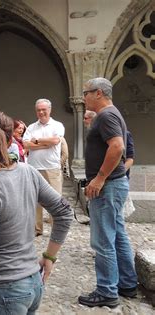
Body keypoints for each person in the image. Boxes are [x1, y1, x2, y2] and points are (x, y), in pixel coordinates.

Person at [0, 110, 73, 315]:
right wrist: (49, 257)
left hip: (3, 289)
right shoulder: (28, 172)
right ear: (12, 139)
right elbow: (64, 212)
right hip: (32, 283)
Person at [78, 77, 138, 308]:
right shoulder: (110, 114)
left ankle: (107, 291)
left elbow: (117, 147)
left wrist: (100, 178)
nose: (83, 98)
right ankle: (127, 284)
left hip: (108, 186)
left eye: (86, 93)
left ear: (99, 93)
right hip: (114, 184)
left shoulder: (106, 115)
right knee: (118, 235)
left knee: (102, 240)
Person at [23, 99, 65, 236]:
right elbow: (25, 144)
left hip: (52, 167)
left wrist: (36, 140)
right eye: (38, 110)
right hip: (34, 167)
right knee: (35, 199)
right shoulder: (31, 127)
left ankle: (55, 228)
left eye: (43, 109)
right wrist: (44, 144)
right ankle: (37, 228)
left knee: (55, 199)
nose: (41, 112)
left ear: (50, 110)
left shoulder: (57, 125)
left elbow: (55, 141)